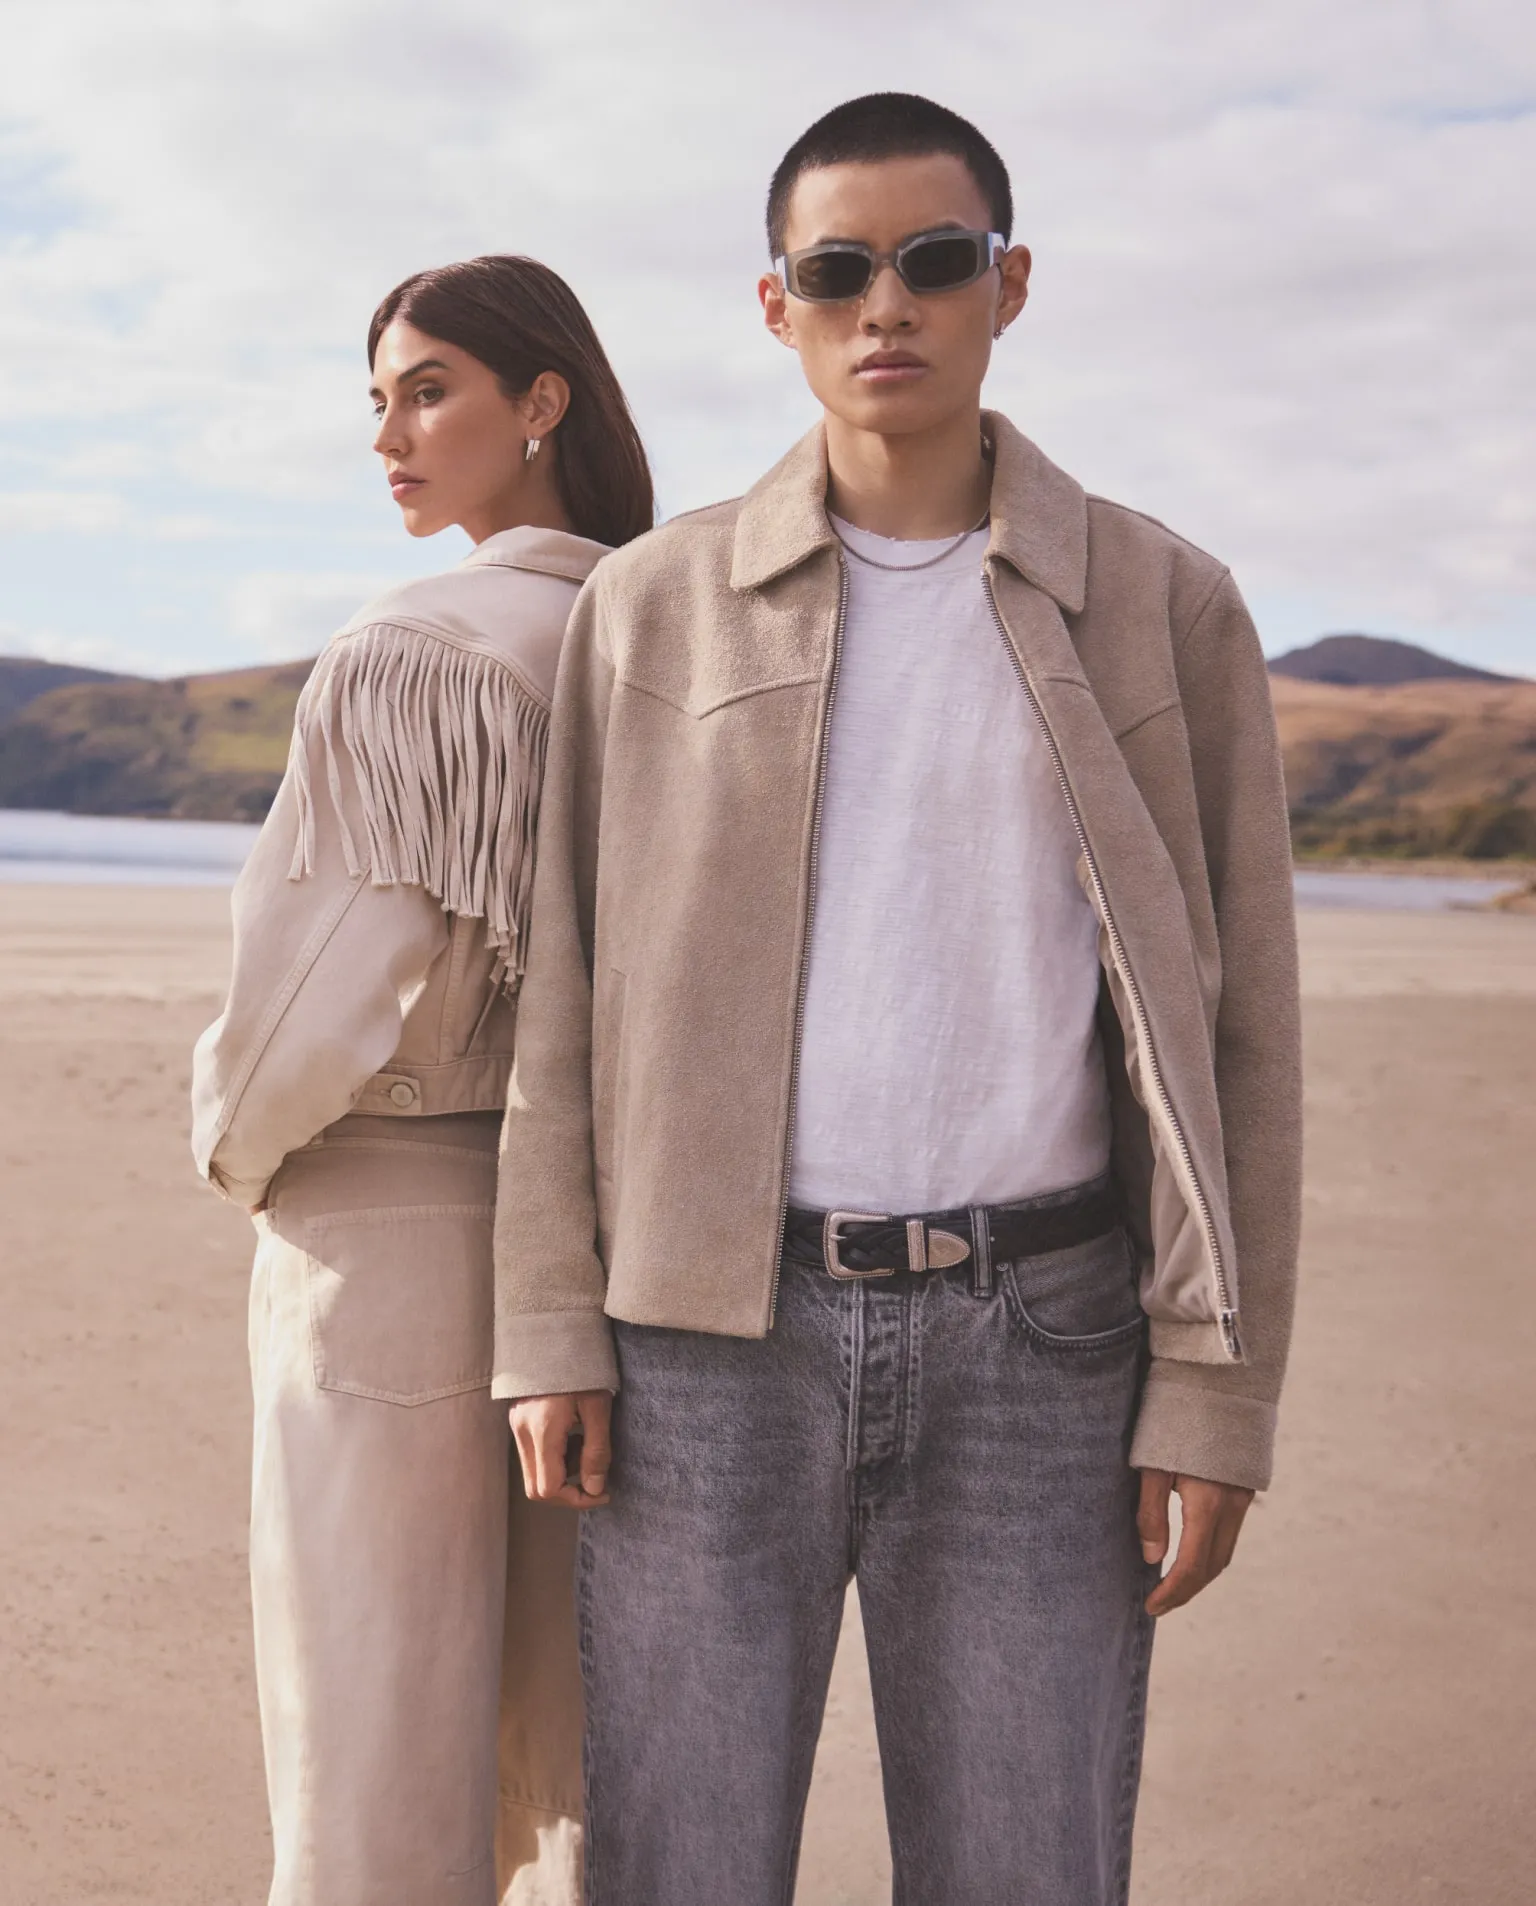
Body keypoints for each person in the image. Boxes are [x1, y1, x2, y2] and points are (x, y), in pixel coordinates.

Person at [496, 93, 1300, 1906]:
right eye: (838, 269)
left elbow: (1242, 1038)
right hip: (706, 1346)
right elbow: (572, 993)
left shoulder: (1166, 607)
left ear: (1009, 284)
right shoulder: (652, 609)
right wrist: (549, 1321)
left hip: (1050, 1342)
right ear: (774, 306)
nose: (890, 306)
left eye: (936, 262)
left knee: (1030, 1868)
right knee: (679, 1869)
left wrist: (1217, 1392)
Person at [191, 254, 652, 1906]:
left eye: (430, 387)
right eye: (377, 399)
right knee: (569, 1742)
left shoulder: (422, 646)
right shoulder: (650, 633)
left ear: (545, 402)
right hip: (587, 1256)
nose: (389, 431)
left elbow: (320, 988)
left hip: (388, 1234)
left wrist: (237, 1151)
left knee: (373, 1757)